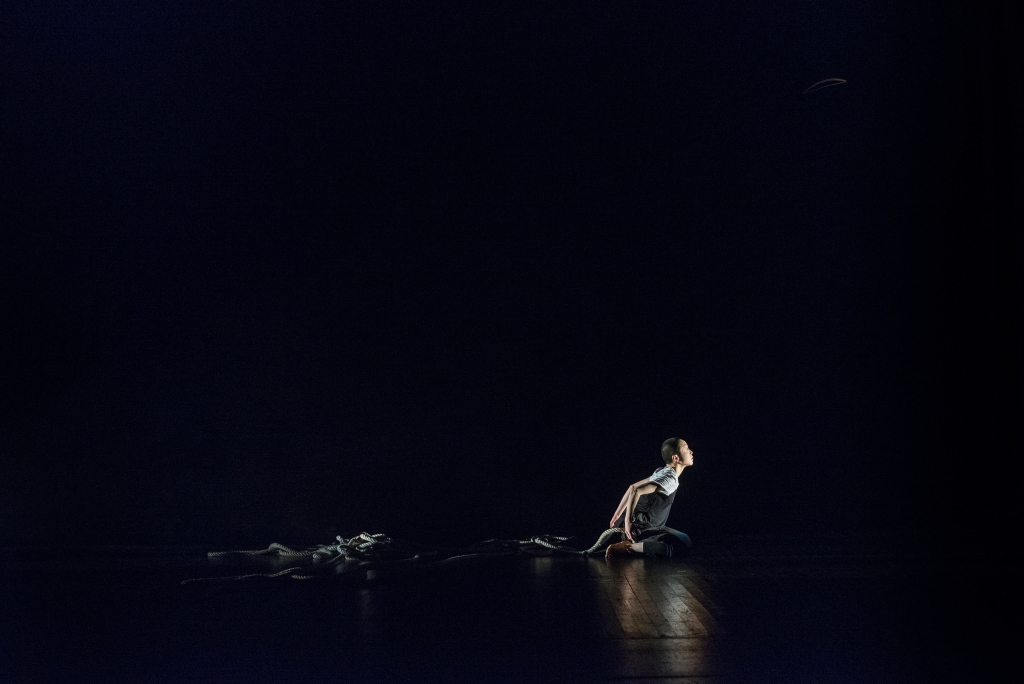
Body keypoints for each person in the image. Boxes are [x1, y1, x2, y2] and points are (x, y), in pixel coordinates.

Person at [604, 438, 694, 559]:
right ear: (675, 458)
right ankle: (629, 547)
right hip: (644, 529)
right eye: (686, 448)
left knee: (685, 538)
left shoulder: (662, 471)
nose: (691, 452)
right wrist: (627, 522)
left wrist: (617, 514)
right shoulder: (670, 478)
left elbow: (632, 487)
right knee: (679, 547)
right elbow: (636, 491)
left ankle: (629, 543)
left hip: (649, 527)